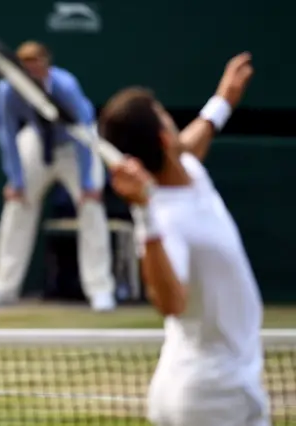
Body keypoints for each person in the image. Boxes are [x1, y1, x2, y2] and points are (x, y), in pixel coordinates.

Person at [101, 52, 269, 426]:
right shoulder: (165, 220)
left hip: (208, 386)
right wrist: (144, 215)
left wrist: (223, 101)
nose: (174, 122)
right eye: (165, 116)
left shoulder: (187, 169)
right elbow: (170, 302)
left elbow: (193, 141)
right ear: (163, 138)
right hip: (211, 397)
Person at [0, 41, 116, 311]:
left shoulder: (66, 86)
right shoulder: (7, 90)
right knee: (17, 205)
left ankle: (100, 290)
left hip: (77, 145)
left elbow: (85, 130)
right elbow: (7, 133)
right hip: (37, 144)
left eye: (37, 61)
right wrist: (15, 180)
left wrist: (87, 182)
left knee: (91, 207)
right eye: (26, 63)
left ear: (47, 63)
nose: (32, 68)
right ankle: (2, 288)